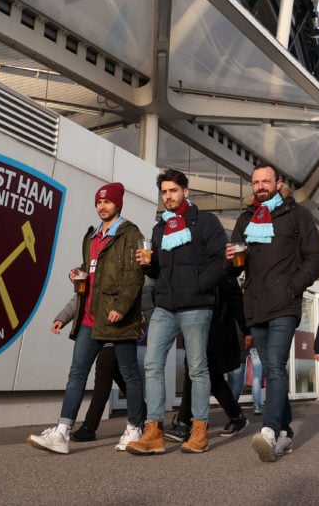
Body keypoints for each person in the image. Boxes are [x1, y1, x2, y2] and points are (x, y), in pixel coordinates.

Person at [27, 182, 145, 454]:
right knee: (76, 375)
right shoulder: (91, 237)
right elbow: (90, 276)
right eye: (99, 202)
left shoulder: (130, 234)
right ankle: (62, 432)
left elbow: (134, 278)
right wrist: (69, 302)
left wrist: (122, 307)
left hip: (119, 319)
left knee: (129, 375)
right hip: (89, 320)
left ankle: (135, 427)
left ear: (118, 205)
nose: (103, 206)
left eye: (108, 202)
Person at [224, 163, 319, 462]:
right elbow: (234, 267)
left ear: (278, 183)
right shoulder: (245, 219)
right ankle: (286, 434)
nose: (260, 186)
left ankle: (268, 430)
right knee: (271, 367)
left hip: (284, 303)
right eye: (255, 182)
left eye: (266, 181)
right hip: (254, 306)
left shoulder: (296, 215)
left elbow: (317, 255)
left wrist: (293, 286)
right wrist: (231, 260)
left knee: (276, 366)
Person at [126, 169, 227, 455]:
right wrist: (148, 264)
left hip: (196, 305)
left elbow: (222, 259)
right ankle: (153, 431)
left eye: (173, 190)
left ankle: (199, 430)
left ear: (186, 191)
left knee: (196, 368)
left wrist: (199, 284)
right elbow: (158, 269)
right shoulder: (160, 228)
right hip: (165, 306)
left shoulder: (205, 222)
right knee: (152, 363)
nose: (168, 196)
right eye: (164, 192)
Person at [164, 273, 252, 443]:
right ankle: (236, 416)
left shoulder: (221, 270)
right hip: (197, 326)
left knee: (196, 369)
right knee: (211, 374)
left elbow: (235, 298)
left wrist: (246, 330)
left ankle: (184, 423)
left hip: (217, 330)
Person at [49, 298, 129, 441]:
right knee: (112, 373)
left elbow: (134, 291)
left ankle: (89, 427)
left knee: (105, 371)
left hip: (113, 327)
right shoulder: (89, 274)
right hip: (90, 326)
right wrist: (63, 317)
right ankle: (143, 414)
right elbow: (81, 297)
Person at [229, 345, 263, 414]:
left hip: (245, 350)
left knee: (234, 380)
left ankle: (231, 406)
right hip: (258, 347)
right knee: (257, 378)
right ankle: (257, 407)